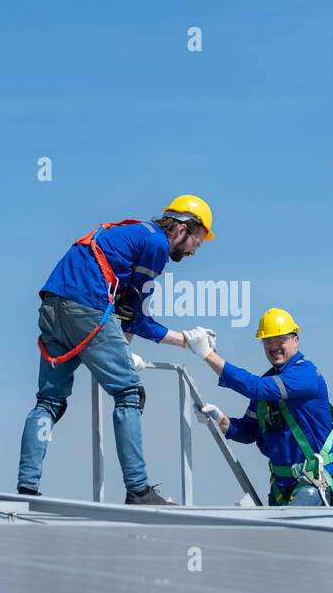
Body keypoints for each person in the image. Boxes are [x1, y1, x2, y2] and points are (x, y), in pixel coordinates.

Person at [17, 195, 217, 505]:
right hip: (87, 306)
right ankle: (138, 490)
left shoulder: (133, 234)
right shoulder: (157, 246)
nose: (193, 251)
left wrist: (124, 347)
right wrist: (186, 340)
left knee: (49, 402)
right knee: (129, 394)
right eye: (197, 243)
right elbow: (135, 315)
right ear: (181, 228)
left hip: (52, 306)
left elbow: (125, 312)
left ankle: (26, 489)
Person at [187, 308, 333, 506]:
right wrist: (221, 420)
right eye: (268, 341)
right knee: (274, 533)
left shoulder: (305, 375)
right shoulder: (268, 385)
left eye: (280, 340)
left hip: (316, 481)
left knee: (288, 528)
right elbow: (247, 432)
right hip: (282, 487)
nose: (274, 347)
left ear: (295, 340)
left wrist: (208, 354)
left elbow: (256, 388)